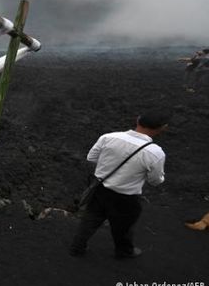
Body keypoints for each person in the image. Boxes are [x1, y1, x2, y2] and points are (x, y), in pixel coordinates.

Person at [69, 110, 170, 259]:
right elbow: (155, 181)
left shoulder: (108, 137)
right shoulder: (155, 153)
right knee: (124, 226)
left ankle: (76, 248)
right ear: (161, 128)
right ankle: (124, 251)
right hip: (126, 198)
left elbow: (91, 157)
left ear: (138, 120)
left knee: (90, 219)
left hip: (99, 190)